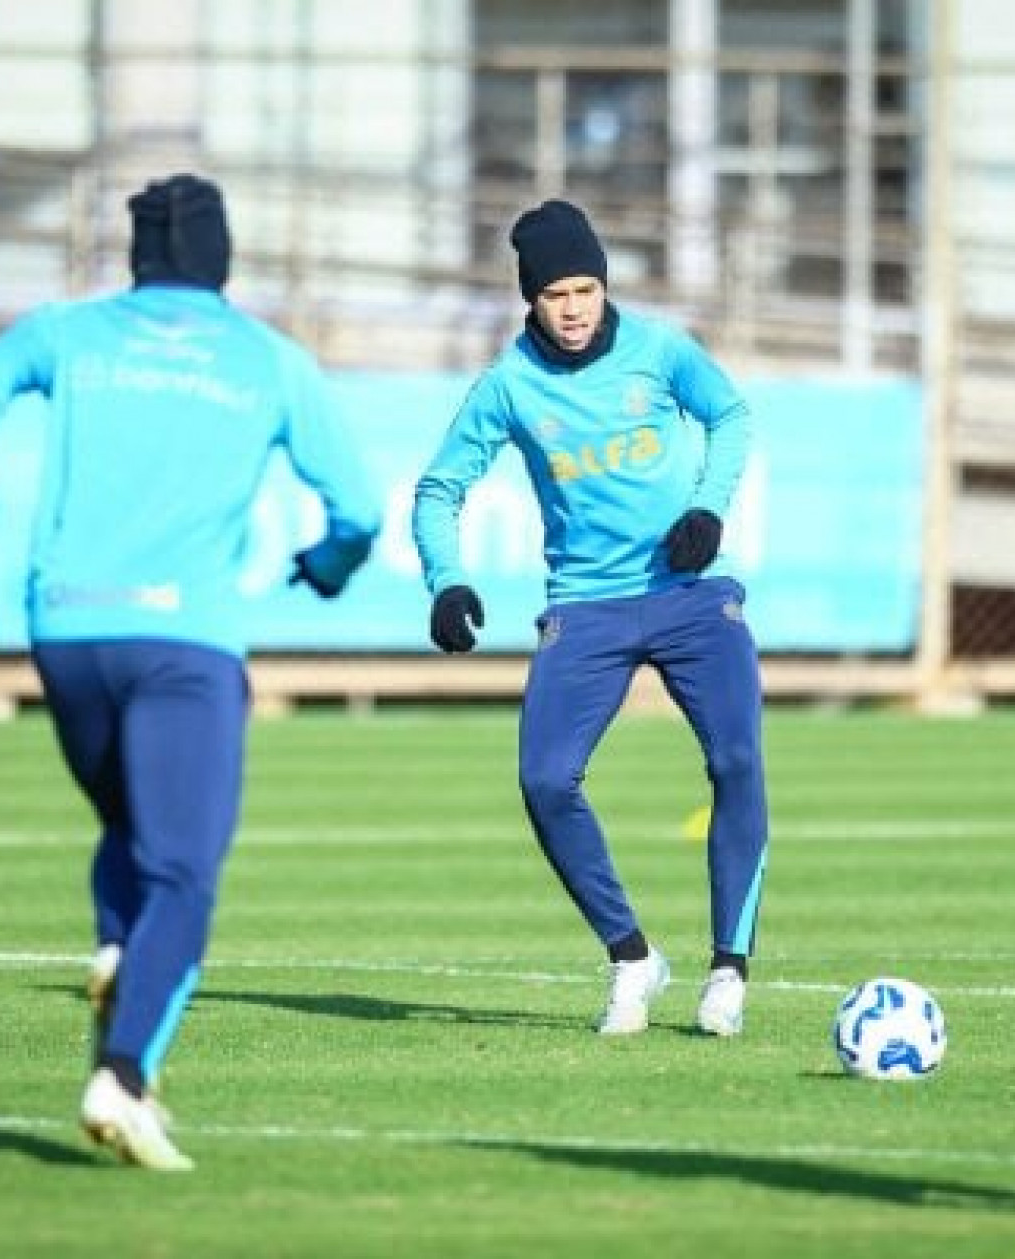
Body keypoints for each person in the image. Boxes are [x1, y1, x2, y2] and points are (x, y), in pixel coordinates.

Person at [0, 174, 381, 1170]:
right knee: (186, 870)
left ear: (137, 256)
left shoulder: (70, 333)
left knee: (129, 826)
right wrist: (328, 565)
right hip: (185, 642)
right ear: (222, 256)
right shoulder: (267, 360)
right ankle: (120, 1074)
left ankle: (119, 948)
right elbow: (361, 507)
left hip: (65, 632)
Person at [412, 199, 768, 1038]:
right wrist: (447, 580)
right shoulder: (508, 385)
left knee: (738, 758)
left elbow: (732, 414)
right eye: (554, 294)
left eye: (585, 288)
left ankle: (728, 968)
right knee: (544, 779)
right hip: (586, 604)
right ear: (528, 299)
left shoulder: (659, 349)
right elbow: (438, 490)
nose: (572, 308)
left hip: (692, 591)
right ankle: (632, 956)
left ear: (603, 285)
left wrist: (709, 511)